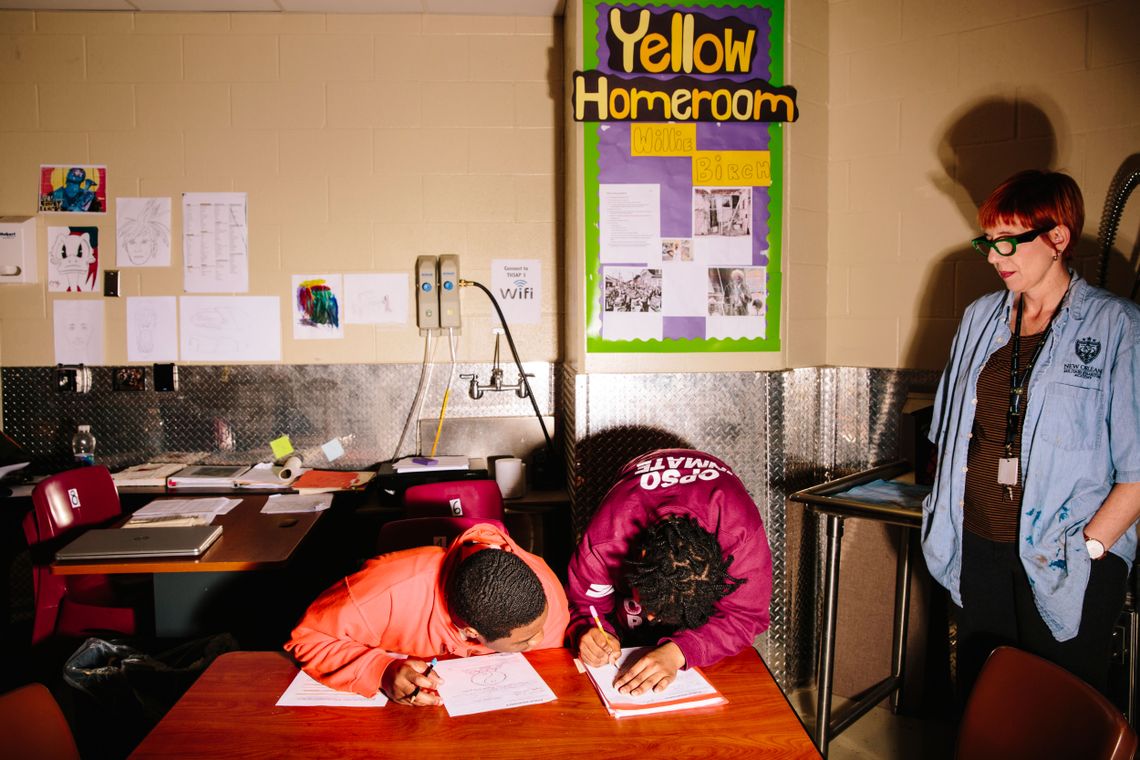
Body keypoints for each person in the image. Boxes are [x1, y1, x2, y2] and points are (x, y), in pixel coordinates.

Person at [922, 170, 1140, 701]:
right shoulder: (979, 318)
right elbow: (948, 436)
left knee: (1059, 714)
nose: (995, 256)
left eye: (1008, 241)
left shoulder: (1117, 327)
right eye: (988, 242)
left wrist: (1091, 548)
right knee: (988, 706)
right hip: (979, 547)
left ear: (1057, 238)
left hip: (1068, 558)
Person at [285, 522, 569, 706]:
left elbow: (553, 667)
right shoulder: (385, 589)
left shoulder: (545, 589)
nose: (540, 639)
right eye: (524, 641)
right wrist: (381, 670)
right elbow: (308, 640)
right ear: (471, 632)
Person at [567, 449, 772, 696]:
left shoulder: (740, 534)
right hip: (631, 500)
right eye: (648, 604)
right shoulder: (606, 539)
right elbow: (585, 603)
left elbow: (745, 616)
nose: (651, 618)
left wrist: (680, 652)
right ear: (638, 560)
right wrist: (591, 631)